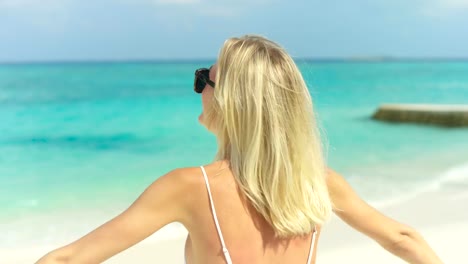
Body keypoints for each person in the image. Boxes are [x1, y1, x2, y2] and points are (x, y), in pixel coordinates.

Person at [36, 35, 443, 264]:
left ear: (231, 99)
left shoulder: (188, 187)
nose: (198, 90)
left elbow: (69, 260)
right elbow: (403, 238)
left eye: (204, 79)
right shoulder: (318, 185)